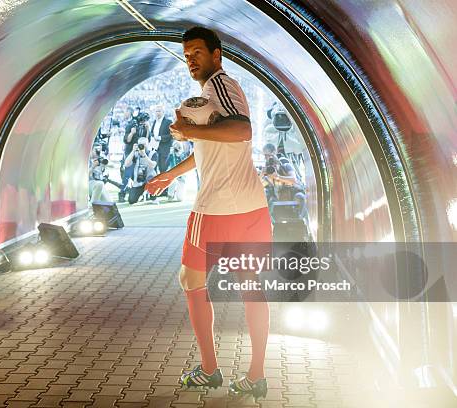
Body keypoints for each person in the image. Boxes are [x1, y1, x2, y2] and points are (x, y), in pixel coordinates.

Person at [145, 26, 272, 400]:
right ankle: (256, 376)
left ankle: (210, 370)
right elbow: (216, 146)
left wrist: (186, 130)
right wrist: (172, 172)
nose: (190, 60)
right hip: (252, 207)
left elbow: (241, 132)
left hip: (216, 209)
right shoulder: (220, 90)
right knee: (252, 287)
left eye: (197, 52)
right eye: (186, 55)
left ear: (217, 54)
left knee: (190, 281)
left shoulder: (218, 86)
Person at [262, 143, 307, 221]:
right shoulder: (267, 173)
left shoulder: (286, 166)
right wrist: (263, 175)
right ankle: (271, 224)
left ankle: (301, 221)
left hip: (292, 195)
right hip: (277, 198)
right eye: (266, 156)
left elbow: (293, 180)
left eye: (275, 165)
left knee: (301, 197)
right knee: (266, 196)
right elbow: (261, 186)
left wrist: (278, 177)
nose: (274, 168)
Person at [124, 137, 158, 204]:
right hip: (139, 180)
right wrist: (133, 151)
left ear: (148, 144)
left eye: (144, 144)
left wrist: (144, 155)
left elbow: (153, 165)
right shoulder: (136, 154)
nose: (143, 146)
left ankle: (153, 196)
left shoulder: (153, 153)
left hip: (149, 179)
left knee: (153, 178)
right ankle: (141, 194)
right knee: (131, 200)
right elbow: (126, 164)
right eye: (141, 144)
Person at [119, 107, 138, 202]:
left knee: (130, 174)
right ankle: (122, 193)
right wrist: (132, 133)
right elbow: (127, 140)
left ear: (129, 112)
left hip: (133, 151)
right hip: (129, 151)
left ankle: (125, 193)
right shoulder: (130, 124)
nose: (124, 114)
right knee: (126, 173)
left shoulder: (132, 123)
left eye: (125, 112)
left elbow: (128, 139)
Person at [150, 104, 173, 172]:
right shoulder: (154, 121)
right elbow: (152, 132)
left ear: (163, 112)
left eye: (159, 111)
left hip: (164, 149)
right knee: (153, 168)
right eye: (156, 111)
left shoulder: (168, 122)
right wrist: (152, 136)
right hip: (154, 148)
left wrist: (160, 138)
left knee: (162, 168)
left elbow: (171, 135)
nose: (157, 113)